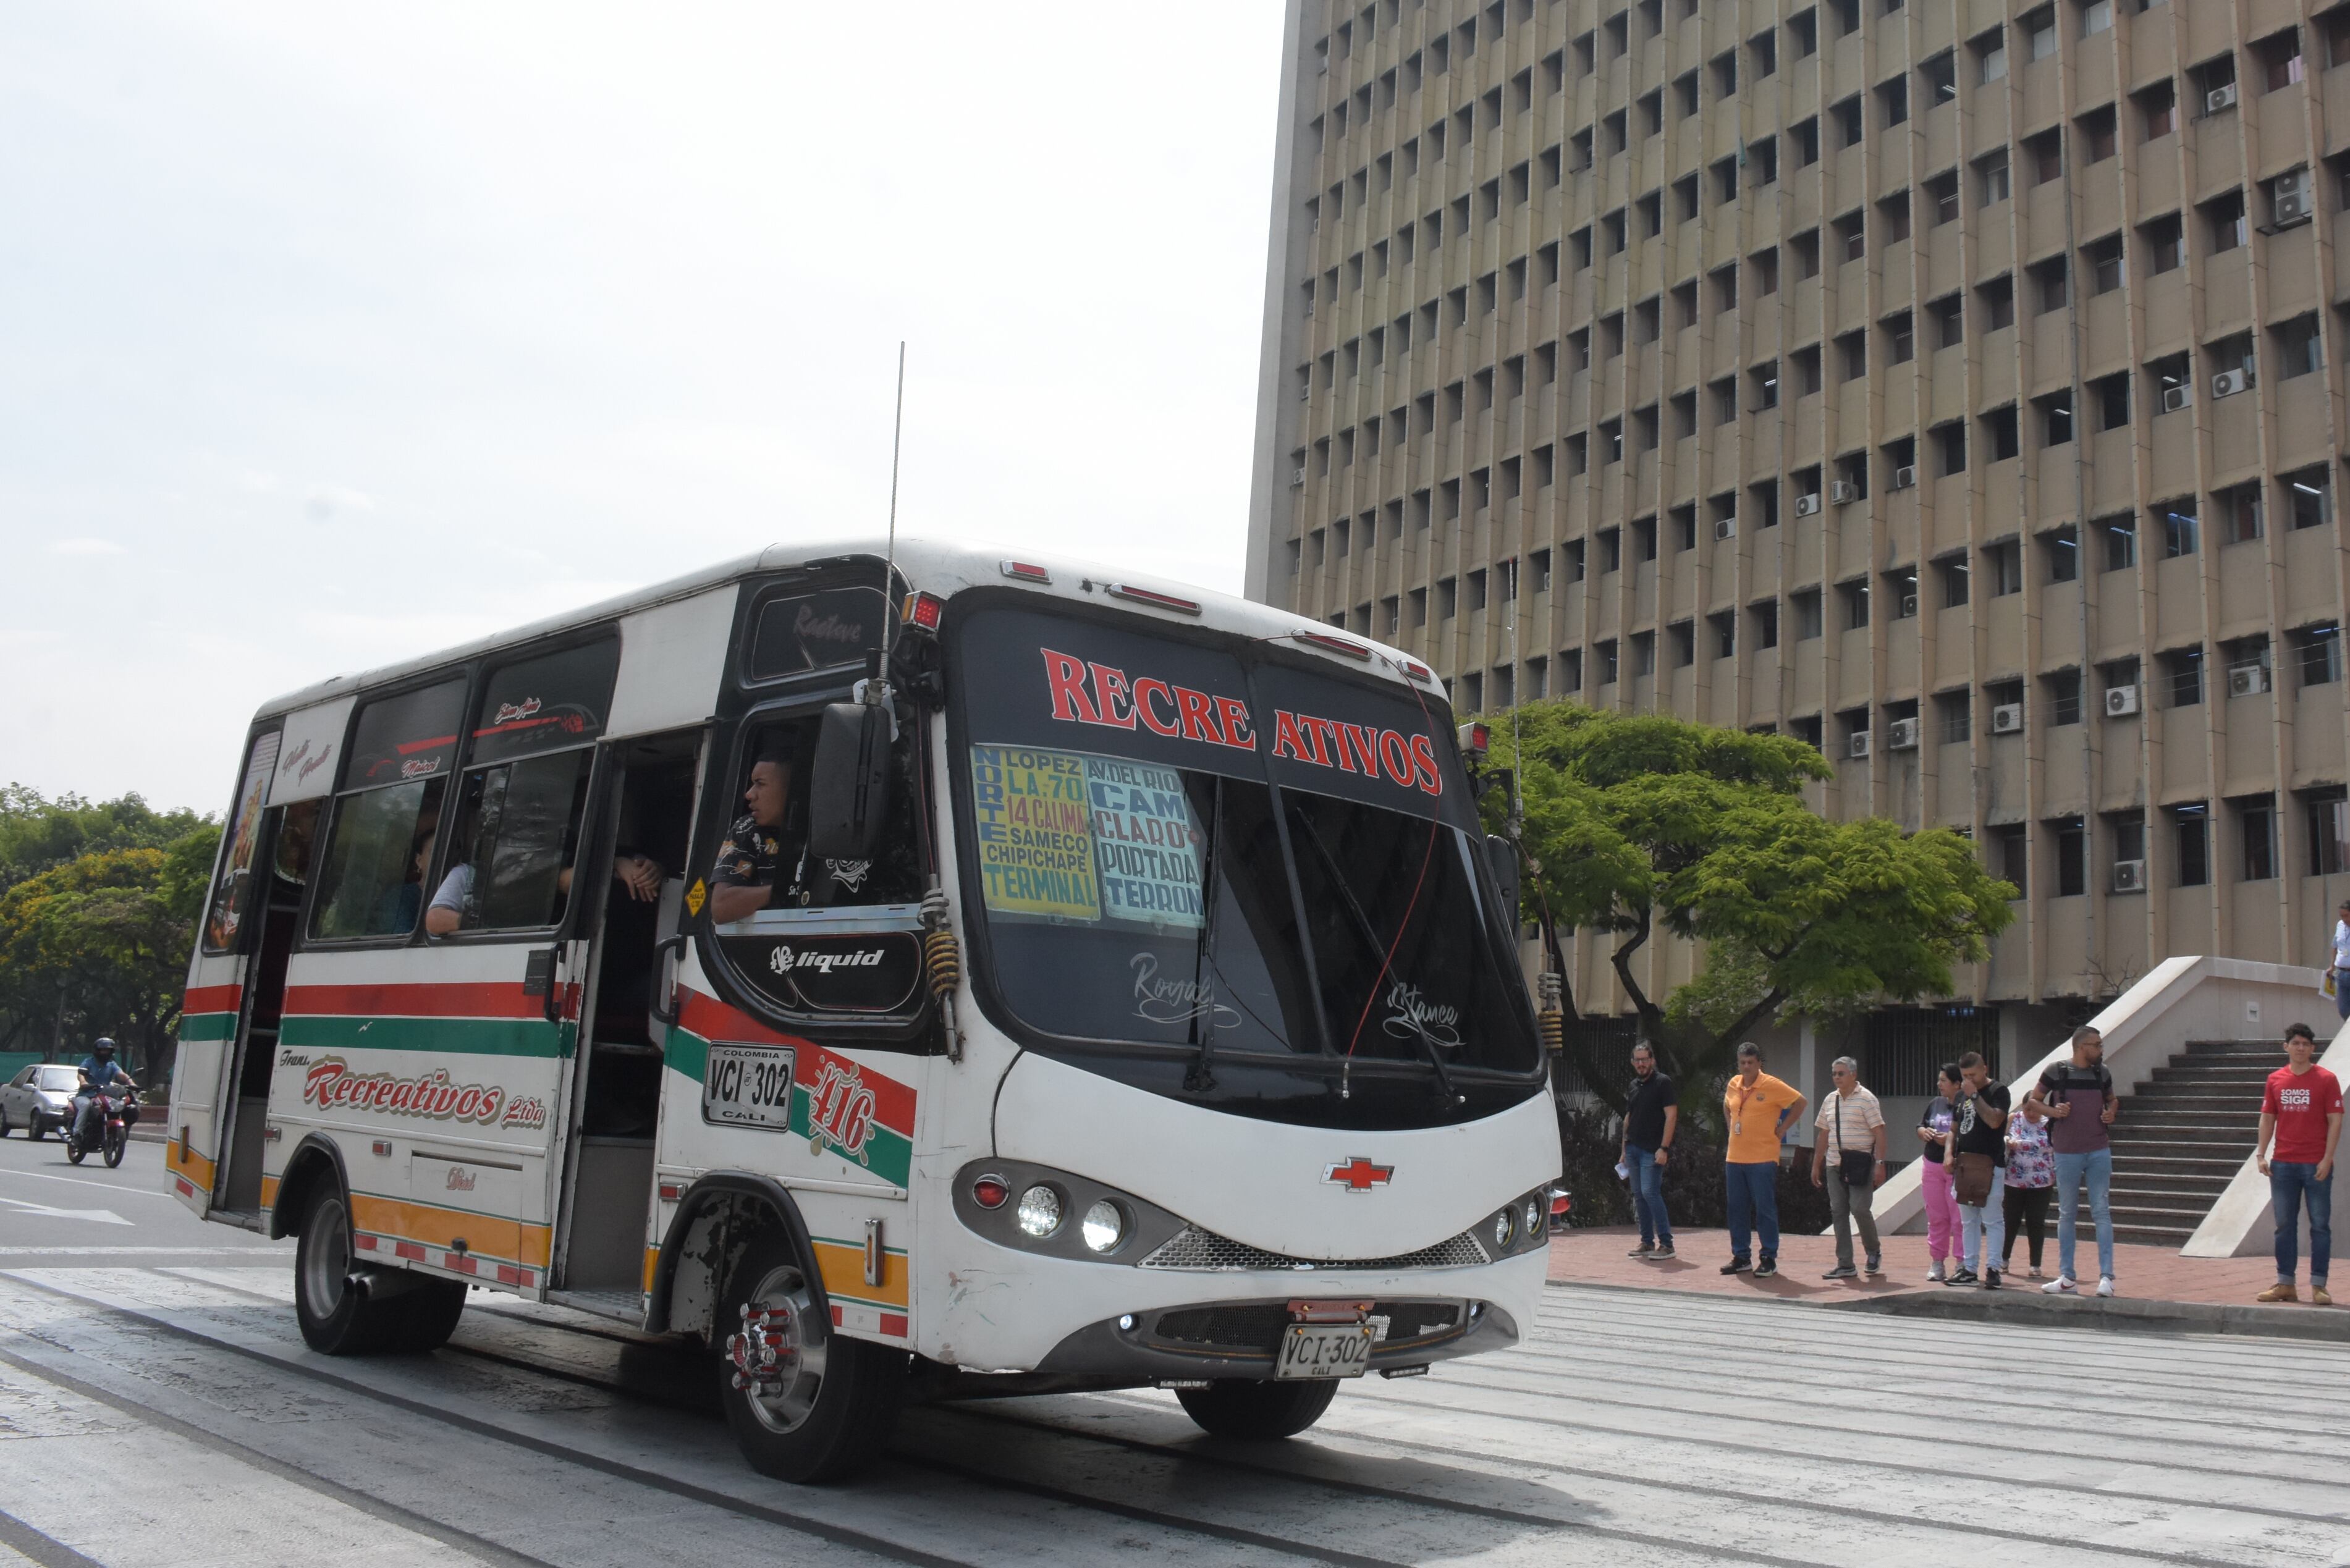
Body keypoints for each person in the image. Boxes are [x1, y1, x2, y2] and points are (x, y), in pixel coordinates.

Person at [2254, 1022, 2343, 1305]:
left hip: (2315, 1164)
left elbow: (2335, 1120)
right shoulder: (2275, 1079)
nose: (2301, 1048)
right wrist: (2261, 1153)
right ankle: (2285, 1283)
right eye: (2296, 1044)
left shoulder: (2327, 1079)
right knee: (2283, 1225)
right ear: (2287, 1047)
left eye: (2306, 1044)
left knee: (2320, 1225)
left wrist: (2328, 1158)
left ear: (2313, 1049)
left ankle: (2319, 1285)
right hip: (2283, 1164)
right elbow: (2268, 1117)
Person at [2029, 1024, 2118, 1299]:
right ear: (2082, 1047)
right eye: (2097, 1045)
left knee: (2101, 1211)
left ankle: (2107, 1277)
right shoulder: (2057, 1071)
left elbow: (2113, 1100)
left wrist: (2111, 1112)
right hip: (2066, 1153)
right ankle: (2067, 1276)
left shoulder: (2102, 1072)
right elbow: (2032, 1102)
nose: (2101, 1049)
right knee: (2067, 1213)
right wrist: (2054, 1111)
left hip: (2099, 1150)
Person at [1719, 1042, 1806, 1278]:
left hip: (1762, 1158)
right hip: (1735, 1157)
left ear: (1759, 1064)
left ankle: (1769, 1257)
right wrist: (1730, 1127)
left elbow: (1800, 1103)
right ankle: (1741, 1256)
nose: (1746, 1067)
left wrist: (1783, 1129)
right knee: (1736, 1208)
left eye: (1751, 1063)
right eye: (1742, 1063)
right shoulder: (1734, 1084)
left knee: (1764, 1208)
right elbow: (1727, 1106)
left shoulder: (1771, 1085)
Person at [1809, 1055, 1885, 1280]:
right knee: (1838, 1211)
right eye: (1834, 1074)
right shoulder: (1830, 1100)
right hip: (1835, 1163)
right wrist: (1816, 1164)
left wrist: (1880, 1164)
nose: (1836, 1078)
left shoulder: (1866, 1099)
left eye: (1841, 1074)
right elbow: (1824, 1133)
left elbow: (1880, 1132)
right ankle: (1845, 1263)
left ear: (1854, 1075)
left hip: (1860, 1163)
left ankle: (1873, 1251)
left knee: (1860, 1208)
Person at [709, 751, 803, 924]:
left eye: (760, 784)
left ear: (793, 788)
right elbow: (721, 907)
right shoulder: (749, 828)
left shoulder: (829, 830)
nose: (749, 795)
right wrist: (786, 890)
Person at [1946, 1051, 2010, 1290]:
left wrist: (1975, 1096)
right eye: (1964, 1076)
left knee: (1992, 1219)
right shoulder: (1961, 1095)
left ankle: (1993, 1269)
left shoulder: (1998, 1092)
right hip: (1965, 1164)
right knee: (1968, 1221)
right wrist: (1948, 1153)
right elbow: (1954, 1129)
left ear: (1985, 1068)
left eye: (1972, 1074)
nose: (1968, 1080)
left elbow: (1995, 1121)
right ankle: (1969, 1268)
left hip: (1990, 1164)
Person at [1620, 1043, 1677, 1260]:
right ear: (1633, 1062)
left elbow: (1671, 1117)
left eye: (1645, 1059)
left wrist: (1664, 1148)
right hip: (1633, 1148)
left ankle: (1667, 1244)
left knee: (1651, 1193)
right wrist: (1624, 1149)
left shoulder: (1663, 1083)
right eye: (1638, 1060)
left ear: (1652, 1060)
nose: (1641, 1064)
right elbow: (1628, 1117)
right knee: (1639, 1196)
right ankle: (1646, 1242)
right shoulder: (1633, 1085)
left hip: (1652, 1151)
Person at [2001, 1096, 2056, 1279]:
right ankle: (2004, 1259)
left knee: (2036, 1222)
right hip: (2014, 1180)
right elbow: (2002, 1135)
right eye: (2027, 1109)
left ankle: (2035, 1264)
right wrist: (2008, 1141)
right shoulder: (2014, 1118)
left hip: (2041, 1182)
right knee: (2010, 1221)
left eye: (2034, 1109)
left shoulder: (2050, 1123)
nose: (2030, 1114)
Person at [1917, 1064, 1962, 1284]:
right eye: (1939, 1080)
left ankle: (1963, 1263)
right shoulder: (1935, 1103)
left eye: (1944, 1080)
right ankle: (1937, 1262)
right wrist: (1924, 1132)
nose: (1939, 1084)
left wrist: (1951, 1140)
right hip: (1932, 1164)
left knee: (1959, 1219)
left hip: (1955, 1168)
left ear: (1957, 1084)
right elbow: (1921, 1125)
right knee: (1936, 1217)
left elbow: (1970, 1133)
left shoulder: (1966, 1105)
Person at [70, 1038, 138, 1148]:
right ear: (97, 1051)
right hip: (86, 1095)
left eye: (107, 1050)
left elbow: (121, 1074)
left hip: (103, 1095)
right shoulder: (89, 1062)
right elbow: (81, 1073)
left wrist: (131, 1083)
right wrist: (83, 1082)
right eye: (102, 1050)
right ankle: (77, 1134)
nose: (105, 1053)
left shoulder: (112, 1064)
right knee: (86, 1105)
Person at [2330, 902, 2350, 1025]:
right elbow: (2335, 946)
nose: (2344, 919)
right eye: (2341, 916)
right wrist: (2331, 966)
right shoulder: (2340, 925)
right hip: (2341, 973)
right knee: (2343, 1010)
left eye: (2347, 916)